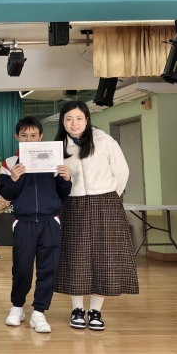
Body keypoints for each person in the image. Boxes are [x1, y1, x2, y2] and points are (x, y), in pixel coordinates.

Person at [54, 101, 138, 331]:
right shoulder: (58, 148)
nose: (74, 123)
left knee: (105, 257)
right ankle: (77, 309)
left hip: (106, 203)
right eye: (68, 119)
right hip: (73, 204)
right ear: (63, 122)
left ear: (87, 119)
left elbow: (122, 172)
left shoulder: (104, 141)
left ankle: (95, 311)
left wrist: (108, 196)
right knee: (75, 256)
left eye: (78, 118)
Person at [0, 117, 72, 333]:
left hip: (50, 221)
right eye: (24, 135)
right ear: (16, 137)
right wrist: (13, 178)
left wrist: (66, 179)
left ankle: (39, 312)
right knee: (21, 268)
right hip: (24, 222)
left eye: (33, 135)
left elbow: (63, 193)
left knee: (48, 268)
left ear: (41, 137)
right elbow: (6, 194)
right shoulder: (10, 163)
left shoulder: (53, 159)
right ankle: (17, 307)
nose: (29, 139)